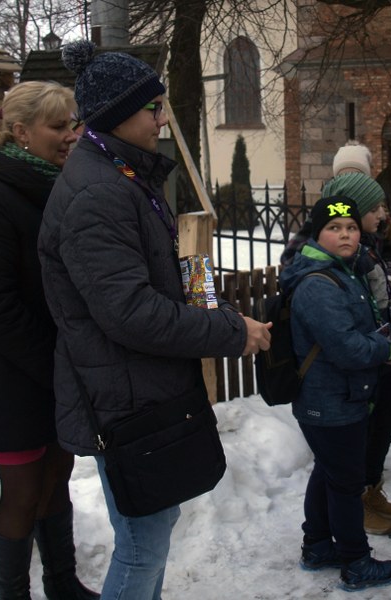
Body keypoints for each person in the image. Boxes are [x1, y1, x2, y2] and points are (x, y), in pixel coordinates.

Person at [38, 40, 271, 600]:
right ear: (118, 114)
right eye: (153, 108)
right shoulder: (98, 194)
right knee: (143, 544)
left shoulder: (123, 174)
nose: (163, 118)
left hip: (142, 388)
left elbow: (167, 272)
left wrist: (214, 308)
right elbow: (131, 313)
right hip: (124, 398)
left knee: (153, 532)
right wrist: (229, 332)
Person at [0, 81, 98, 600]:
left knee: (57, 477)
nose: (71, 135)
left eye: (72, 124)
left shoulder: (53, 190)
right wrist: (54, 365)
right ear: (20, 132)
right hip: (5, 377)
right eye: (58, 126)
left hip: (50, 369)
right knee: (23, 492)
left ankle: (63, 584)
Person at [280, 195, 391, 591]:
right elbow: (346, 347)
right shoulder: (318, 283)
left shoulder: (344, 270)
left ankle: (318, 546)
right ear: (316, 233)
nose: (345, 234)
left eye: (351, 227)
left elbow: (358, 330)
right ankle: (356, 562)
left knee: (329, 472)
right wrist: (388, 351)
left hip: (339, 396)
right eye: (334, 227)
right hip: (329, 400)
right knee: (345, 482)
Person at [319, 173, 391, 536]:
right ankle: (356, 504)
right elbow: (355, 317)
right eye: (375, 208)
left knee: (386, 421)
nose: (383, 214)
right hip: (362, 361)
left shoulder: (369, 247)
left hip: (379, 354)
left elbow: (378, 302)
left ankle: (371, 490)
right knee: (361, 437)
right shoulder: (344, 257)